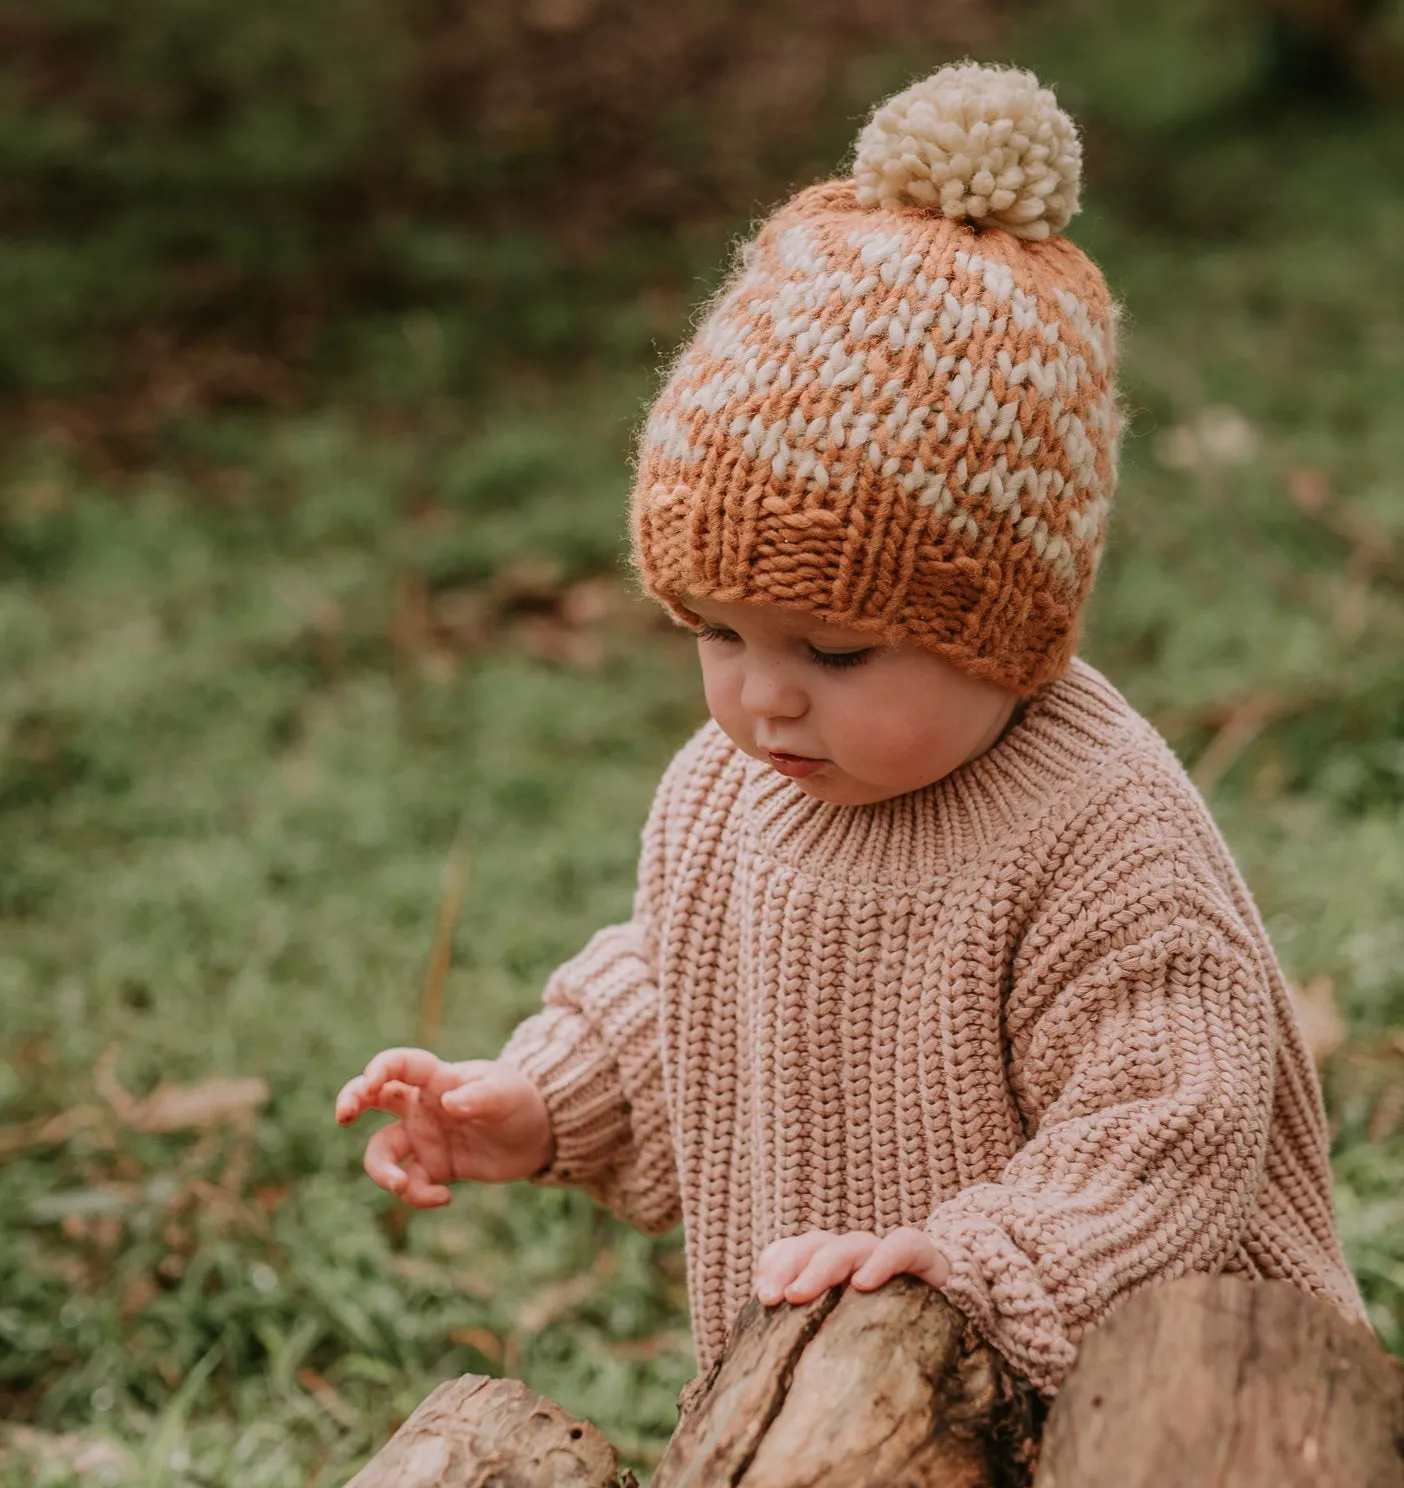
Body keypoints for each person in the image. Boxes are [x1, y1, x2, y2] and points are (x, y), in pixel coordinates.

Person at [336, 62, 1363, 1398]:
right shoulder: (733, 788)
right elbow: (696, 991)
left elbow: (1169, 1121)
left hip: (1141, 1406)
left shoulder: (1098, 833)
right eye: (715, 631)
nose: (764, 696)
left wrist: (976, 1262)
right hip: (840, 1420)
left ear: (1005, 624)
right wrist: (544, 1103)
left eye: (831, 648)